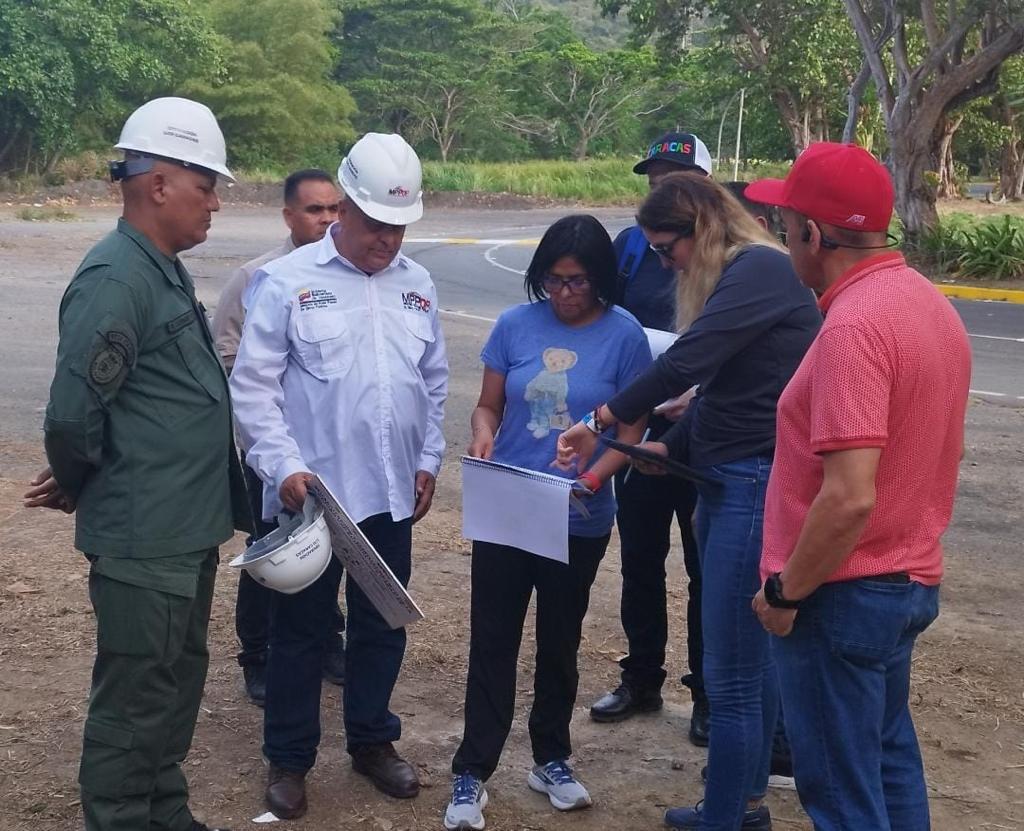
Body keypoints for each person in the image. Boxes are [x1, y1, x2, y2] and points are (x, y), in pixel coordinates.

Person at [554, 173, 821, 831]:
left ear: (700, 227)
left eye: (667, 249)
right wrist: (669, 448)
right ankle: (747, 801)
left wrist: (602, 416)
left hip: (750, 485)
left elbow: (689, 362)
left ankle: (725, 815)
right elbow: (731, 391)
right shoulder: (748, 272)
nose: (665, 262)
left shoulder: (757, 268)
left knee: (730, 677)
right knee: (749, 667)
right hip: (730, 476)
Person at [23, 96, 247, 831]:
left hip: (181, 528)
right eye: (206, 182)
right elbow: (72, 414)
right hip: (144, 535)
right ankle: (121, 817)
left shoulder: (160, 267)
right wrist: (86, 478)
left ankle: (163, 810)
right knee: (135, 699)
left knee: (176, 683)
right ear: (158, 184)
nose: (215, 200)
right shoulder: (117, 276)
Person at [747, 142, 971, 830]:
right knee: (886, 758)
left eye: (785, 226)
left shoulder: (853, 325)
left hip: (840, 592)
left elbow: (848, 495)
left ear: (814, 235)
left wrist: (786, 591)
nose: (784, 240)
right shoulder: (927, 303)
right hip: (904, 580)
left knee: (842, 792)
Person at [229, 132, 448, 818]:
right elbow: (253, 385)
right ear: (345, 208)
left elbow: (433, 382)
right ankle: (290, 760)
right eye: (378, 225)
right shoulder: (288, 282)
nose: (389, 240)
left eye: (400, 227)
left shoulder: (417, 284)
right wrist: (283, 465)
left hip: (389, 492)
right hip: (312, 497)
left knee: (384, 623)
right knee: (301, 630)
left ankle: (372, 742)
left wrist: (428, 458)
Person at [444, 214, 652, 831]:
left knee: (559, 640)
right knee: (493, 638)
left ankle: (551, 758)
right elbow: (487, 405)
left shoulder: (625, 336)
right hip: (508, 505)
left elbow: (633, 433)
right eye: (555, 280)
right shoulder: (512, 325)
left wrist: (592, 479)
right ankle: (472, 770)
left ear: (602, 282)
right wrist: (482, 438)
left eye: (580, 281)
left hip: (578, 515)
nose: (566, 293)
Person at [589, 132, 711, 747]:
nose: (662, 188)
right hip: (638, 428)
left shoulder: (730, 258)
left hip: (705, 431)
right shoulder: (631, 248)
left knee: (704, 567)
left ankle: (708, 691)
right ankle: (642, 678)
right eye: (655, 178)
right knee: (639, 559)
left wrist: (698, 395)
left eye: (677, 178)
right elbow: (608, 325)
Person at [210, 168, 346, 706]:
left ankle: (328, 639)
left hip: (329, 450)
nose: (328, 220)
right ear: (289, 216)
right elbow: (227, 355)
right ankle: (258, 655)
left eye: (335, 209)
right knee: (271, 549)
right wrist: (267, 432)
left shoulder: (347, 278)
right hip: (271, 447)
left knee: (332, 545)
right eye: (315, 211)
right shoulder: (257, 277)